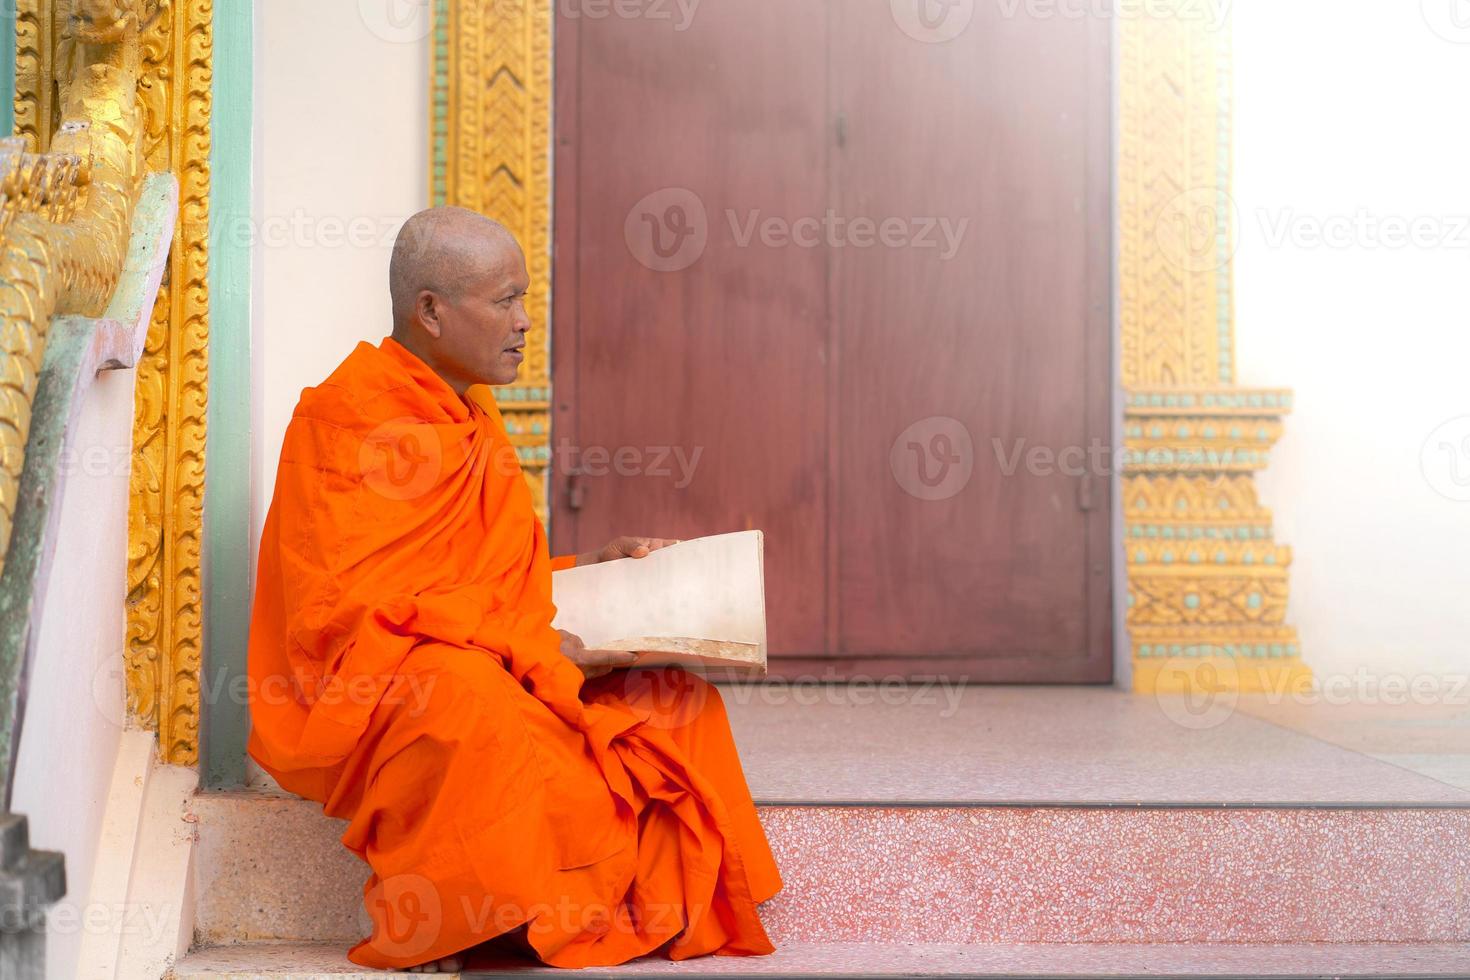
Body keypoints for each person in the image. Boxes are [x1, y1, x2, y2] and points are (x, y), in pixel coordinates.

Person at [245, 207, 782, 972]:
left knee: (675, 699)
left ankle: (647, 903)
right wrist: (527, 647)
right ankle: (480, 919)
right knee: (465, 698)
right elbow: (346, 616)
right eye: (504, 301)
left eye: (524, 299)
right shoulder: (346, 419)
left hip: (494, 645)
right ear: (431, 311)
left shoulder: (470, 411)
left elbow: (485, 577)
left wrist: (591, 564)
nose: (525, 322)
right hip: (389, 676)